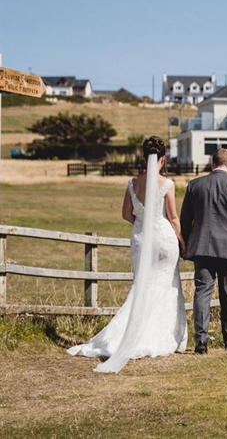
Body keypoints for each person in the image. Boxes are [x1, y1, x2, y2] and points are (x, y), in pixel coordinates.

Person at [68, 135, 187, 373]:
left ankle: (130, 333)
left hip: (141, 239)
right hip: (163, 239)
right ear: (162, 159)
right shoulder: (167, 184)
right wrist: (182, 241)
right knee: (166, 285)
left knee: (141, 285)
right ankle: (160, 335)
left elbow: (125, 213)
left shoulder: (132, 183)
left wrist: (141, 224)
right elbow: (173, 218)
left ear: (144, 158)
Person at [181, 148, 227, 354]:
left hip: (202, 247)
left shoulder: (195, 185)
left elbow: (186, 219)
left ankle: (201, 342)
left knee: (202, 292)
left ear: (212, 163)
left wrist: (184, 245)